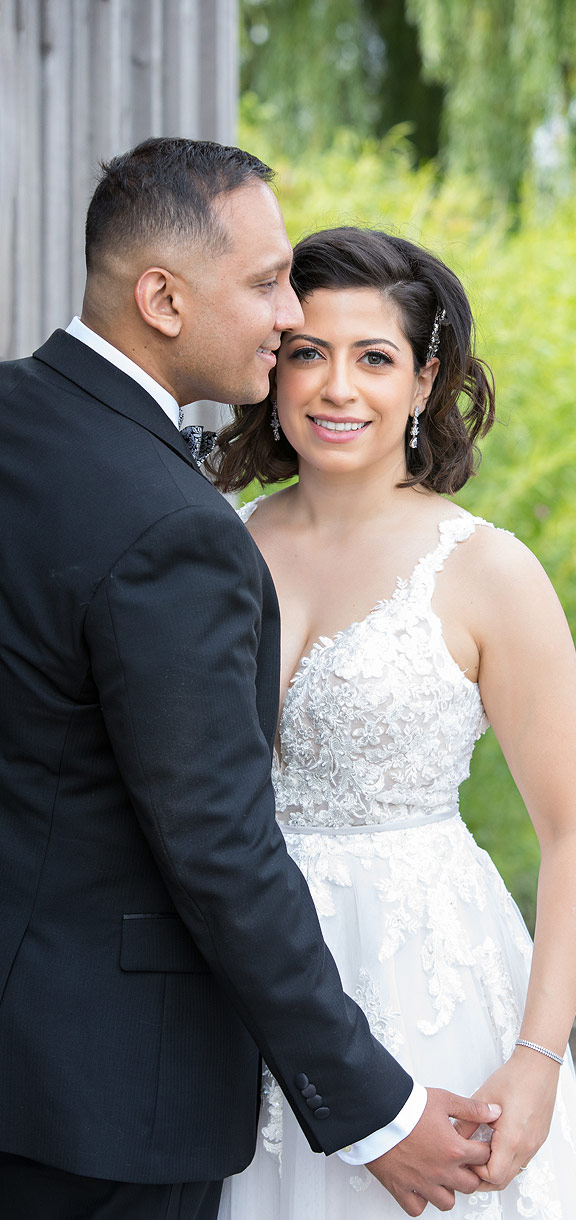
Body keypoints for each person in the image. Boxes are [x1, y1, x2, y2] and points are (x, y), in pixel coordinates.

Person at [0, 140, 502, 1220]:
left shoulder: (16, 418)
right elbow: (217, 844)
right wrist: (376, 1109)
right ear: (164, 298)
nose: (288, 317)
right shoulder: (175, 528)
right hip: (108, 1094)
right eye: (268, 282)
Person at [212, 227, 576, 1218]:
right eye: (308, 352)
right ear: (274, 366)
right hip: (249, 972)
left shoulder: (487, 569)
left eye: (374, 357)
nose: (335, 387)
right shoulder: (220, 542)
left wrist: (537, 1059)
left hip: (429, 973)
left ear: (425, 378)